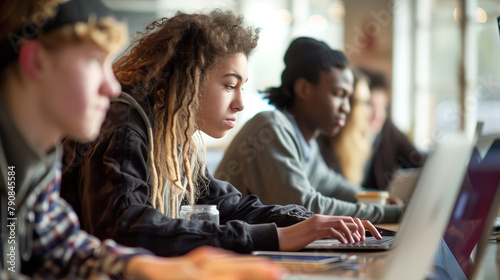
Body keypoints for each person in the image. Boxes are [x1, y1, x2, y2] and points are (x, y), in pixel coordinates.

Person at [61, 10, 383, 258]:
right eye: (230, 86)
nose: (241, 103)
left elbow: (230, 206)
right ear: (188, 79)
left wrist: (314, 222)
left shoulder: (174, 136)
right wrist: (277, 237)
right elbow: (127, 230)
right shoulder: (126, 123)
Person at [0, 1, 284, 279]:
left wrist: (150, 268)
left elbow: (61, 249)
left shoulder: (35, 161)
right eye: (94, 62)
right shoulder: (124, 119)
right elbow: (123, 228)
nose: (111, 86)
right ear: (37, 61)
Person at [215, 37, 402, 223]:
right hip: (224, 250)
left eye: (348, 98)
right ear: (303, 89)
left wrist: (381, 200)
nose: (346, 108)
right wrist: (389, 213)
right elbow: (303, 207)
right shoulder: (271, 128)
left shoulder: (306, 140)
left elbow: (335, 186)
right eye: (338, 94)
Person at [317, 69, 373, 185]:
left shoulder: (362, 143)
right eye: (362, 103)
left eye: (368, 103)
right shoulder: (323, 145)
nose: (368, 112)